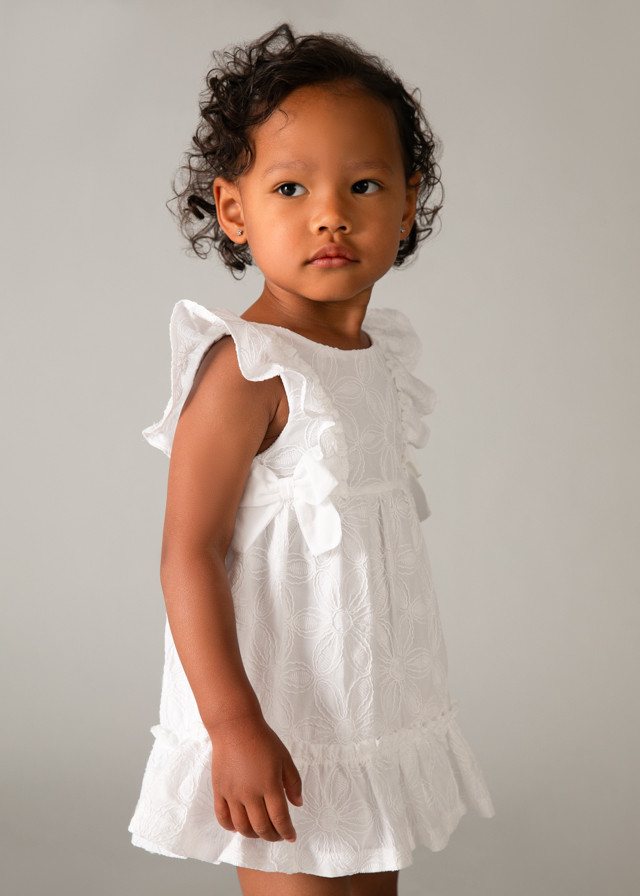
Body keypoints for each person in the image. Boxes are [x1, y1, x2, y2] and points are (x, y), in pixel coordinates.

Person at [128, 23, 495, 896]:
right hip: (278, 712)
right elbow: (188, 553)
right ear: (234, 210)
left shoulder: (375, 358)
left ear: (406, 204)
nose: (330, 213)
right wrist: (234, 725)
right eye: (290, 187)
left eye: (363, 185)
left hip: (364, 701)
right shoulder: (247, 369)